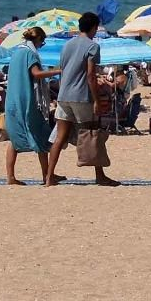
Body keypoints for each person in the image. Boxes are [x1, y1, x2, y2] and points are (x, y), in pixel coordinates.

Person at [45, 11, 119, 187]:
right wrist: (96, 100)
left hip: (63, 95)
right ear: (94, 27)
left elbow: (63, 70)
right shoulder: (92, 46)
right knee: (93, 134)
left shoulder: (67, 45)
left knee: (60, 137)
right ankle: (100, 176)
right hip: (80, 96)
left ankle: (48, 177)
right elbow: (91, 75)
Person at [3, 27, 58, 186]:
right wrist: (57, 71)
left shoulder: (16, 52)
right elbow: (36, 73)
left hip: (12, 100)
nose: (41, 45)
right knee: (40, 134)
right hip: (26, 100)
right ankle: (46, 175)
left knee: (14, 139)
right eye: (42, 41)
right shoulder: (29, 53)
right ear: (38, 39)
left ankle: (10, 177)